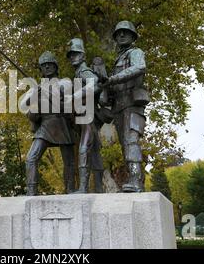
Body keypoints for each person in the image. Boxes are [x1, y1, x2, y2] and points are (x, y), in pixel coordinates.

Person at [103, 20, 150, 192]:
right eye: (118, 33)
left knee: (131, 142)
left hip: (132, 104)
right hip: (119, 106)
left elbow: (139, 67)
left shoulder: (135, 53)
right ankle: (132, 178)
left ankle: (136, 181)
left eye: (125, 32)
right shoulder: (117, 60)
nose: (121, 35)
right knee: (125, 145)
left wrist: (113, 79)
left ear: (132, 36)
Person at [24, 51, 76, 196]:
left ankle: (70, 189)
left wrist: (46, 89)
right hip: (45, 125)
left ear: (55, 66)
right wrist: (35, 94)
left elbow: (65, 92)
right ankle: (31, 190)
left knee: (69, 161)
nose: (47, 67)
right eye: (44, 65)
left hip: (61, 122)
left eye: (50, 64)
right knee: (31, 158)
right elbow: (27, 106)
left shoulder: (63, 82)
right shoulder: (38, 88)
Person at [66, 38, 104, 193]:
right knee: (94, 152)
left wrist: (74, 96)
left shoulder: (84, 71)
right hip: (84, 116)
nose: (72, 58)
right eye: (71, 55)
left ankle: (83, 188)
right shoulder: (77, 73)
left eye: (75, 54)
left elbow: (95, 84)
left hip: (88, 115)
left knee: (84, 149)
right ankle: (99, 189)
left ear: (82, 56)